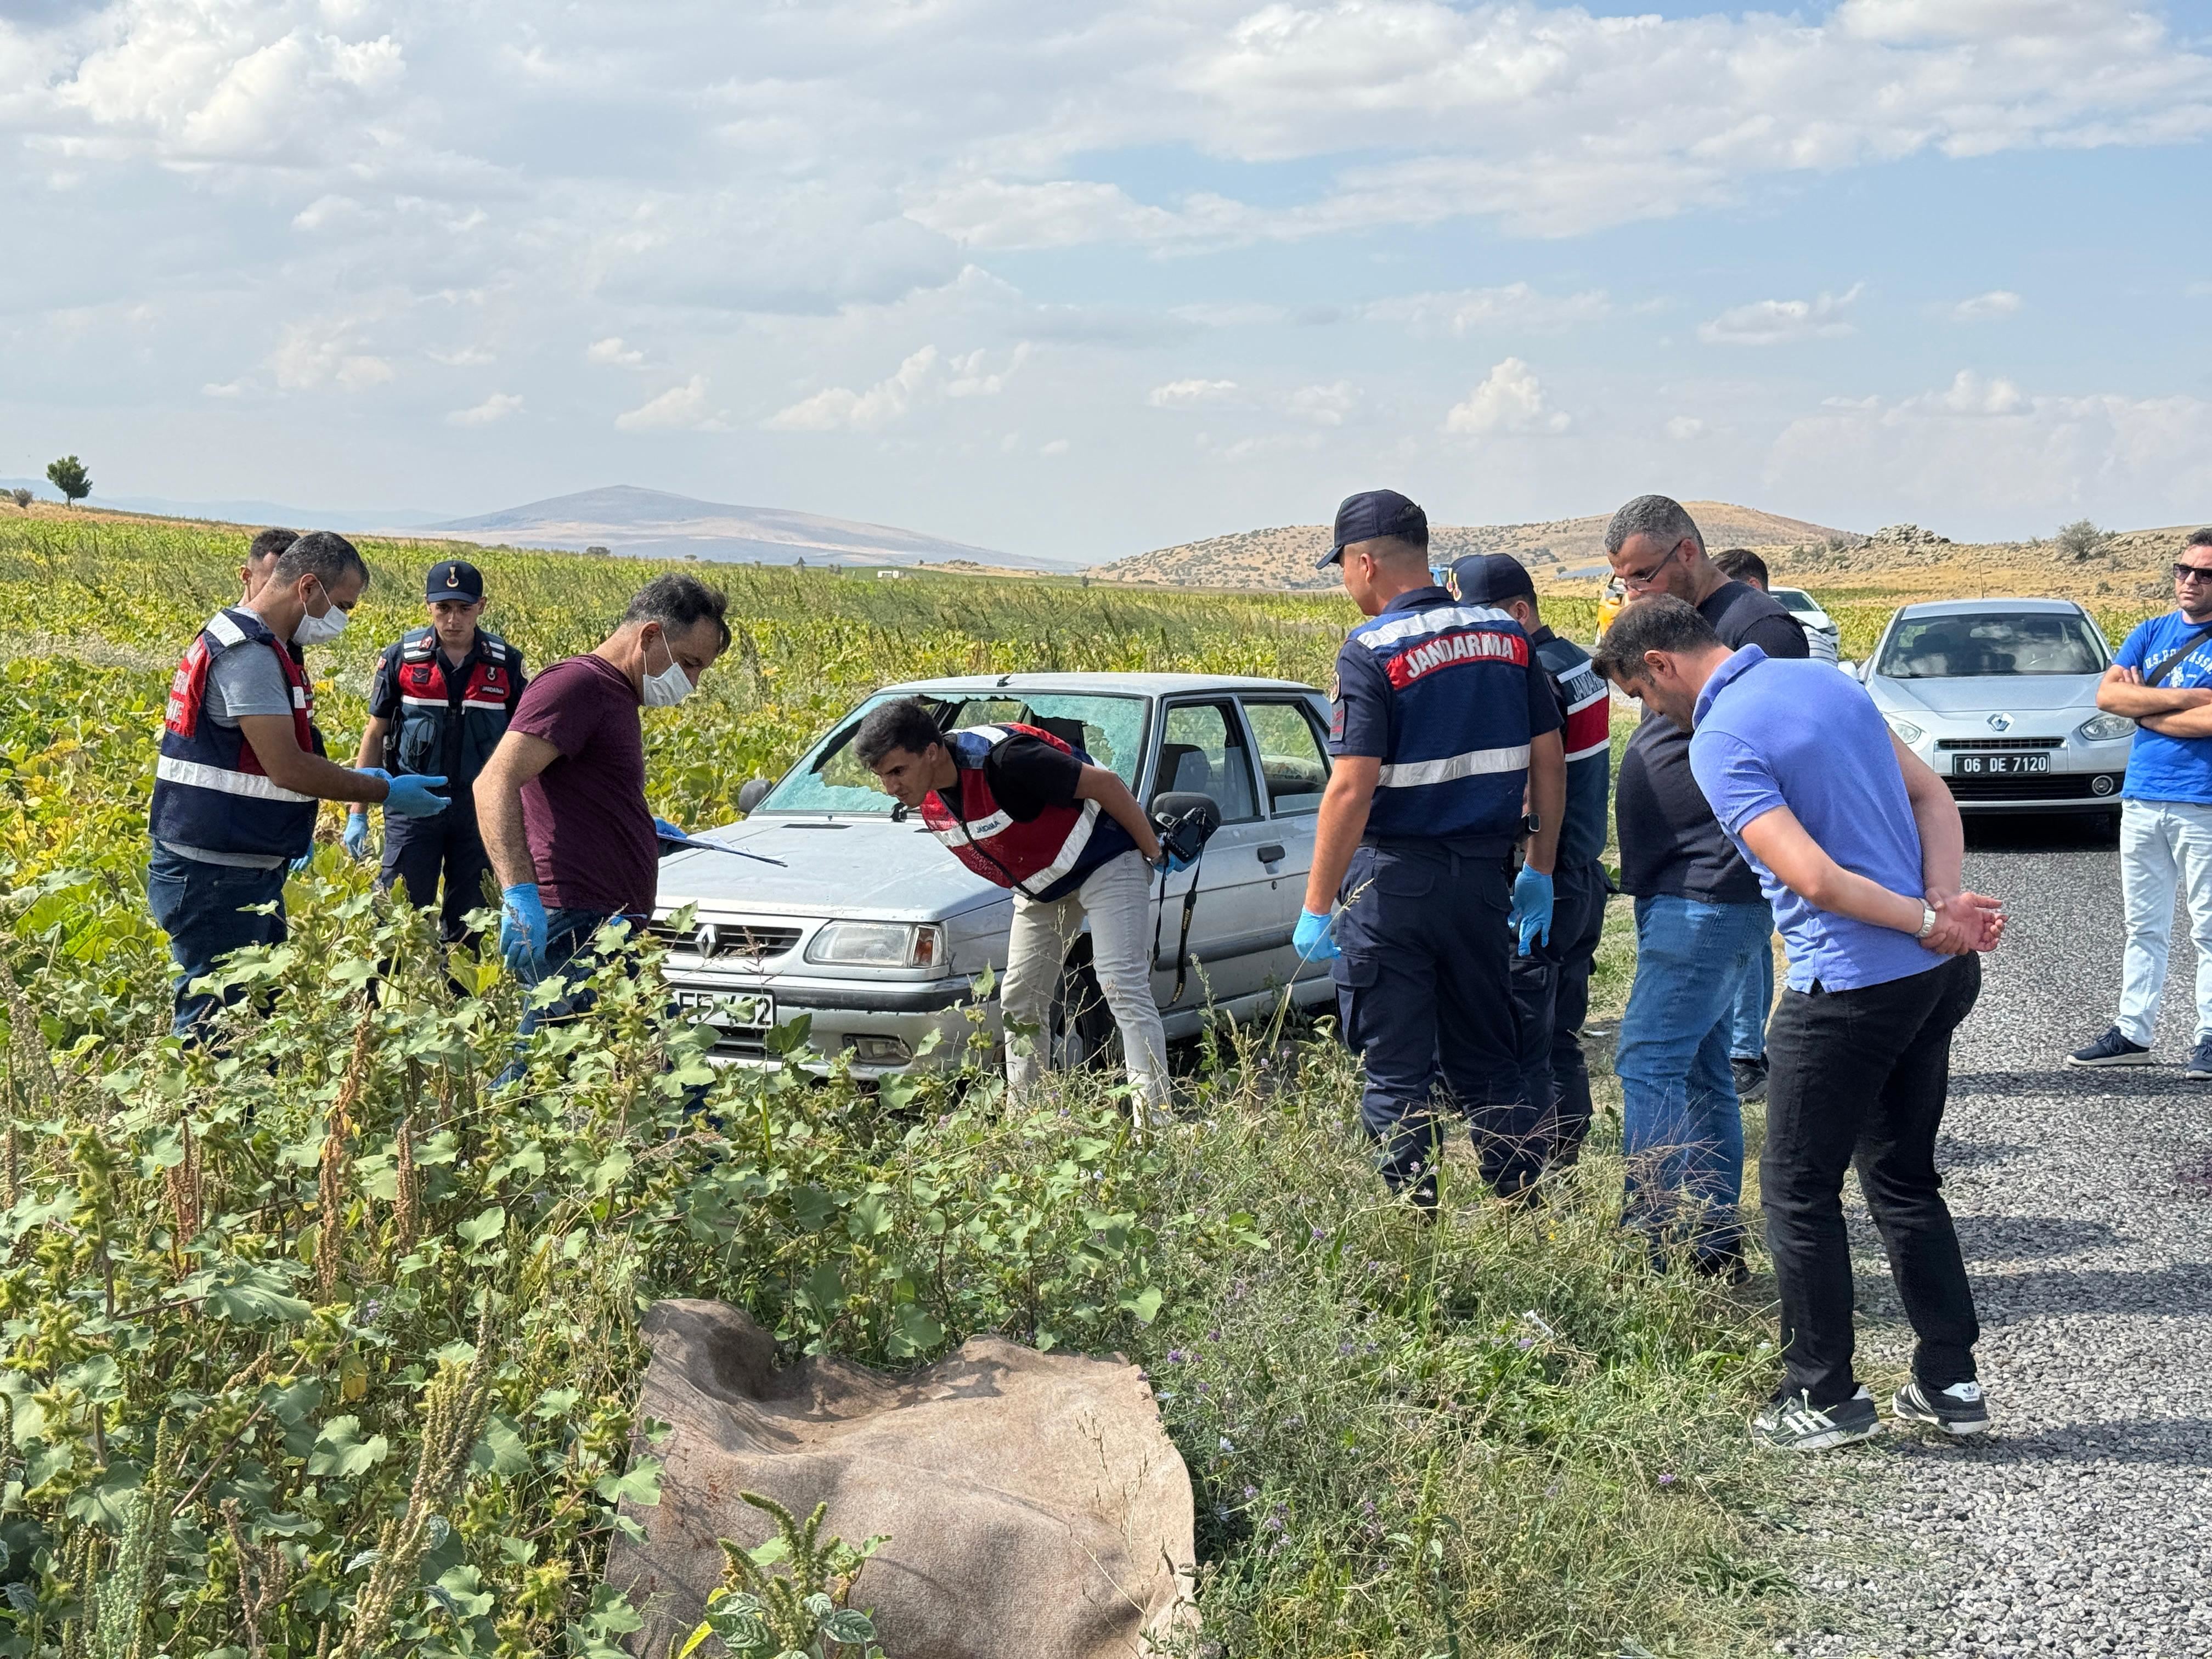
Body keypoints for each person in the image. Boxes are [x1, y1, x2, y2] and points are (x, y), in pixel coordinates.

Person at [1593, 597, 2003, 1452]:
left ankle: (1823, 1396)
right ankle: (1950, 1382)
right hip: (1933, 977)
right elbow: (1932, 794)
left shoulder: (1720, 739)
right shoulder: (1825, 681)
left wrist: (1930, 917)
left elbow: (1814, 879)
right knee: (1903, 1180)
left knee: (1797, 1193)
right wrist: (1940, 903)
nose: (1649, 712)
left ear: (1661, 663)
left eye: (1640, 693)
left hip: (1849, 988)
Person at [1297, 491, 1565, 1205]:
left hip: (1392, 887)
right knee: (1491, 1059)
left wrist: (1317, 904)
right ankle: (1521, 1210)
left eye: (1343, 569)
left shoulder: (1370, 650)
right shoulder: (1506, 637)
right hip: (1482, 883)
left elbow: (1351, 788)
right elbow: (1549, 758)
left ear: (1364, 563)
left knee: (1397, 1074)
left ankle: (1413, 1231)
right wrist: (1539, 868)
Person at [1605, 496, 1808, 1273]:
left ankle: (1657, 1238)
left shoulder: (1759, 629)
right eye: (1623, 581)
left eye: (1643, 575)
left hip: (1710, 884)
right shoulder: (1679, 624)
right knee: (1697, 1068)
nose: (1635, 593)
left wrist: (1732, 866)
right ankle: (1712, 1236)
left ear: (1687, 552)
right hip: (1681, 882)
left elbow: (1780, 752)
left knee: (1648, 1060)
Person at [147, 532, 450, 1035]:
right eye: (343, 606)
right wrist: (383, 791)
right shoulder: (249, 654)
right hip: (214, 873)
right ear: (308, 588)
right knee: (218, 1028)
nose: (343, 620)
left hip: (235, 862)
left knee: (254, 1019)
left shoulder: (257, 642)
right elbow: (285, 766)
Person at [854, 698, 1185, 1121]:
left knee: (1121, 985)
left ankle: (1154, 1123)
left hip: (1107, 860)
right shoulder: (931, 798)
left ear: (931, 752)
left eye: (898, 771)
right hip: (1045, 887)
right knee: (1020, 998)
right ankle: (1029, 1124)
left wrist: (1154, 852)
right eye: (882, 776)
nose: (891, 787)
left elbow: (1107, 785)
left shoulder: (1008, 760)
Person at [475, 573, 729, 1003]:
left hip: (608, 923)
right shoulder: (578, 685)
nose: (692, 683)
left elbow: (579, 794)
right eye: (689, 663)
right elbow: (495, 781)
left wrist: (637, 830)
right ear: (650, 635)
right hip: (575, 923)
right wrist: (519, 893)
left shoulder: (615, 694)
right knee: (566, 1047)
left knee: (630, 1045)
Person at [1447, 553, 1611, 1166]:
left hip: (1539, 875)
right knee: (1559, 1031)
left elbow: (1530, 786)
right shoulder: (1577, 663)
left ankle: (1532, 1166)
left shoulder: (1532, 674)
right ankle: (1564, 1156)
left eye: (1481, 620)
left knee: (1524, 1035)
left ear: (1519, 612)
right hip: (1580, 871)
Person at [2069, 527, 2212, 1077]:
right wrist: (2184, 699)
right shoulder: (2151, 631)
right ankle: (2133, 1031)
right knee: (2144, 925)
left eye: (2205, 573)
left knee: (2207, 928)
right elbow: (2108, 695)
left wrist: (2145, 708)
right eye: (2183, 570)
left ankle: (2209, 1037)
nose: (2190, 581)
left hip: (2202, 801)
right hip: (2143, 798)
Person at [346, 560, 526, 946]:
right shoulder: (402, 657)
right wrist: (357, 813)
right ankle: (392, 986)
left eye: (464, 608)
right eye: (443, 607)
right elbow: (375, 734)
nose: (453, 619)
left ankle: (456, 983)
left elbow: (522, 741)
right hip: (412, 804)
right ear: (429, 605)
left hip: (479, 808)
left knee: (471, 925)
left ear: (481, 606)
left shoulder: (505, 663)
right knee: (399, 920)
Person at [1709, 549, 1785, 1101]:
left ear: (1752, 588)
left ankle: (1744, 1054)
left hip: (1758, 806)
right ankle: (1745, 1050)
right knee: (1753, 937)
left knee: (1753, 933)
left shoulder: (1770, 639)